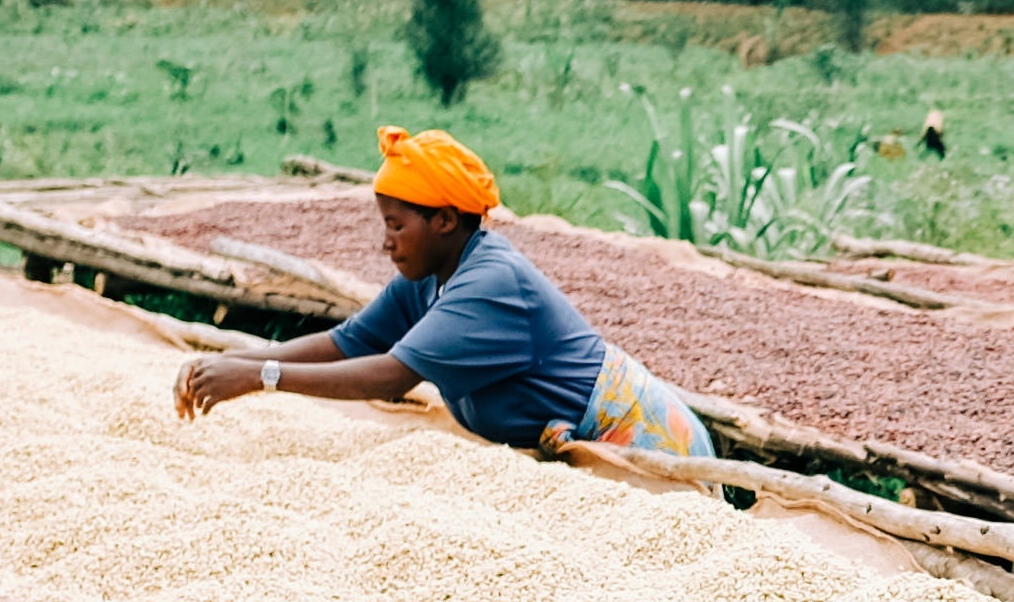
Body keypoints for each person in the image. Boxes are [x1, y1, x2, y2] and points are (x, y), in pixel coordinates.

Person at [170, 126, 705, 458]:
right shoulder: (427, 278)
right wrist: (233, 361)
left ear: (445, 220)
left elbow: (390, 376)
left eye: (396, 225)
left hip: (640, 439)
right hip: (578, 441)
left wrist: (261, 377)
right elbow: (348, 342)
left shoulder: (489, 283)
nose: (386, 241)